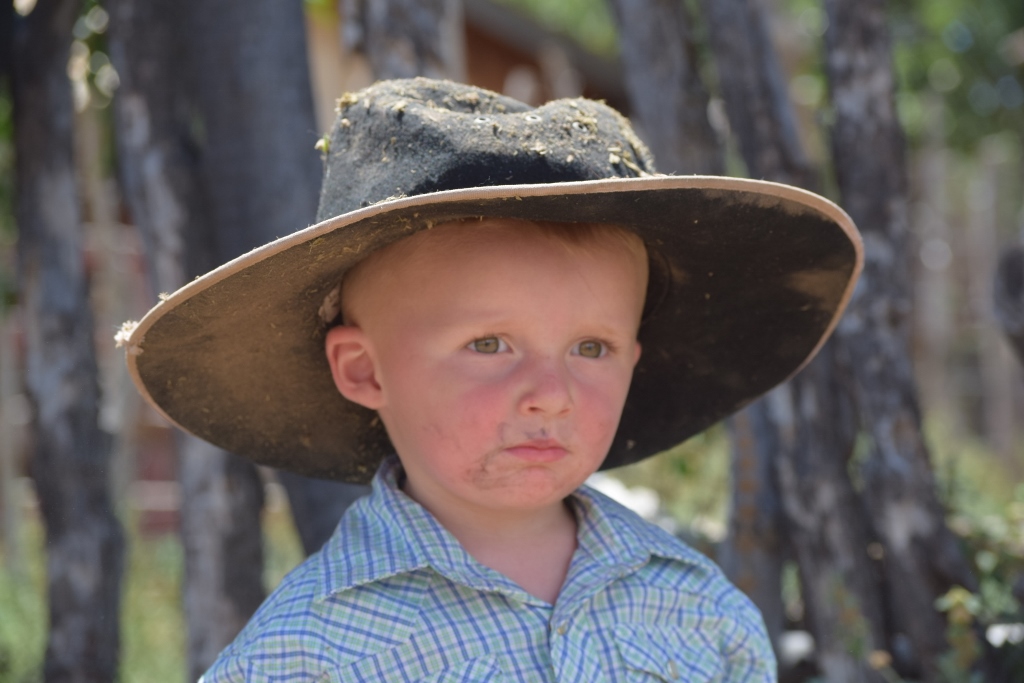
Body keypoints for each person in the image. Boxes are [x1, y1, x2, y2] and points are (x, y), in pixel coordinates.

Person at [120, 78, 862, 682]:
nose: (552, 393)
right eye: (489, 344)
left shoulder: (698, 611)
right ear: (364, 370)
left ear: (634, 358)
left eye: (591, 348)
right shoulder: (305, 656)